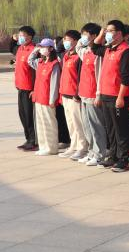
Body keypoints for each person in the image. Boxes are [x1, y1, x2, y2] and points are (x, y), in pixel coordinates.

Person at [91, 20, 129, 172]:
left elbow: (126, 77)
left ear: (119, 33)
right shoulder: (108, 49)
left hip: (118, 95)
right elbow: (94, 47)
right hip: (106, 94)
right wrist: (101, 33)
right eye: (107, 31)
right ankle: (113, 156)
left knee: (121, 129)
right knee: (110, 128)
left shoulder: (126, 51)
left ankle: (123, 159)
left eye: (110, 31)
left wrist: (121, 97)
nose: (107, 34)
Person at [75, 23, 107, 166]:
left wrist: (98, 94)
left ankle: (99, 154)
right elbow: (78, 48)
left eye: (86, 34)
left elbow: (100, 75)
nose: (83, 37)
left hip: (93, 94)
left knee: (96, 126)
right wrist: (83, 40)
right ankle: (91, 152)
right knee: (87, 126)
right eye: (82, 34)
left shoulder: (98, 54)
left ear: (94, 36)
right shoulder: (86, 51)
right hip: (84, 93)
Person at [27, 38, 62, 156]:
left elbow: (55, 83)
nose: (42, 49)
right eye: (41, 47)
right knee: (41, 123)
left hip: (47, 98)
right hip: (38, 97)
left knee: (49, 123)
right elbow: (29, 60)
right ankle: (43, 146)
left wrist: (53, 99)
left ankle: (51, 147)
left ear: (51, 49)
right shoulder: (40, 62)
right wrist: (35, 50)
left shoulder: (54, 64)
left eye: (44, 47)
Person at [57, 30, 88, 161]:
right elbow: (58, 48)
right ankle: (73, 145)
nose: (65, 42)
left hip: (74, 95)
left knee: (78, 123)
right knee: (70, 122)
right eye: (64, 39)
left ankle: (82, 147)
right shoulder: (66, 55)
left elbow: (81, 77)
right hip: (65, 93)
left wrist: (77, 93)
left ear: (76, 41)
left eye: (68, 39)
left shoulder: (78, 57)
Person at [10, 26, 37, 151]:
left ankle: (34, 140)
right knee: (23, 115)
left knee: (29, 115)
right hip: (20, 86)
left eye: (23, 35)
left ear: (30, 37)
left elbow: (36, 71)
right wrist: (13, 39)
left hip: (29, 88)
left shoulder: (34, 50)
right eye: (19, 35)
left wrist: (34, 89)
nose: (20, 37)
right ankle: (28, 139)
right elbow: (12, 48)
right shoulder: (21, 48)